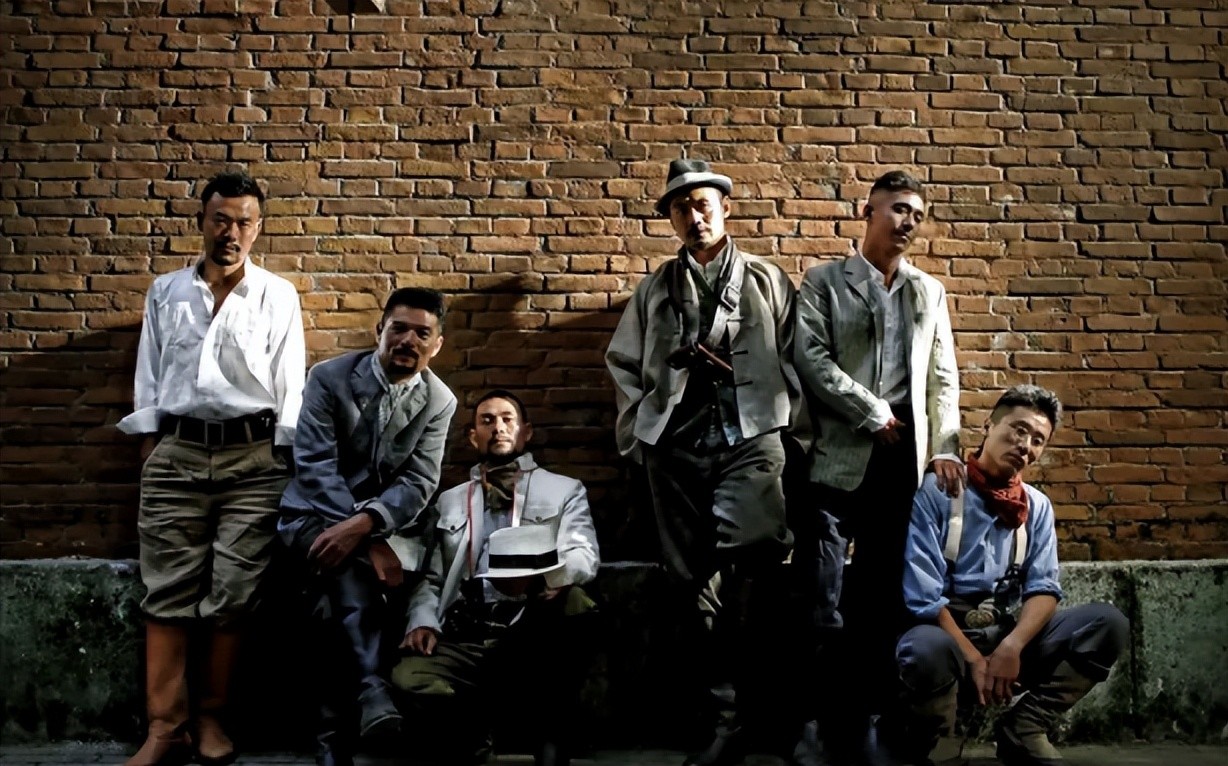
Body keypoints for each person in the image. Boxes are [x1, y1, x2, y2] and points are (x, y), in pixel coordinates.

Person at [605, 158, 803, 766]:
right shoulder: (655, 289)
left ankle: (755, 711)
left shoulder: (767, 279)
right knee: (688, 580)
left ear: (724, 208)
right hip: (675, 447)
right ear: (670, 219)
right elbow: (624, 364)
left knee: (754, 559)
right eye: (680, 208)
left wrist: (788, 424)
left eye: (702, 204)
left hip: (751, 438)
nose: (694, 217)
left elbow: (797, 356)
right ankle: (720, 715)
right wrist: (640, 435)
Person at [116, 171, 305, 766]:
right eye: (221, 219)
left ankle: (211, 719)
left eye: (244, 222)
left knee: (235, 594)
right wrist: (152, 446)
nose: (231, 232)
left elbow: (291, 383)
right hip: (177, 451)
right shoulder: (166, 291)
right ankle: (164, 728)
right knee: (166, 591)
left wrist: (282, 458)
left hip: (254, 459)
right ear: (202, 222)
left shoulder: (278, 295)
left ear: (258, 228)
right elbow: (149, 373)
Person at [791, 170, 963, 755]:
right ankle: (813, 723)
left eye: (917, 214)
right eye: (898, 209)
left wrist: (945, 447)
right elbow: (811, 358)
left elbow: (942, 376)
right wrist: (871, 412)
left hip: (900, 465)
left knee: (883, 598)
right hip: (837, 458)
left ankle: (867, 721)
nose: (908, 222)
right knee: (822, 596)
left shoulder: (928, 292)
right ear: (867, 212)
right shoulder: (823, 282)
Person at [873, 385, 1129, 766]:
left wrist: (1012, 647)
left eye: (1038, 440)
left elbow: (1044, 589)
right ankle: (940, 736)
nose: (1026, 446)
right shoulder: (940, 491)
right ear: (989, 427)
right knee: (923, 649)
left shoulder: (1037, 506)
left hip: (1005, 632)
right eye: (1018, 430)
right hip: (948, 635)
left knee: (1107, 625)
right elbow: (923, 597)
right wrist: (975, 659)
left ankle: (1025, 727)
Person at [277, 287, 457, 766]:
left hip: (381, 529)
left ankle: (331, 740)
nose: (408, 341)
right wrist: (365, 540)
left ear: (437, 345)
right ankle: (373, 690)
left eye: (422, 334)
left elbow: (420, 482)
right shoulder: (329, 378)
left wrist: (367, 528)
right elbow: (315, 465)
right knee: (348, 567)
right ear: (379, 330)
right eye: (399, 328)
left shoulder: (439, 401)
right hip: (312, 515)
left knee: (328, 603)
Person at [391, 390, 600, 766]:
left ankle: (551, 741)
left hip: (530, 629)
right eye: (487, 421)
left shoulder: (563, 490)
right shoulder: (450, 500)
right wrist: (422, 621)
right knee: (411, 678)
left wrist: (546, 580)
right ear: (473, 437)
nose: (498, 427)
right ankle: (470, 734)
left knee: (577, 603)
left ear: (526, 432)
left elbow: (584, 555)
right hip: (468, 631)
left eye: (507, 419)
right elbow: (433, 577)